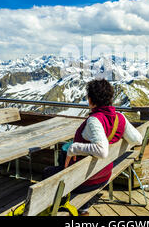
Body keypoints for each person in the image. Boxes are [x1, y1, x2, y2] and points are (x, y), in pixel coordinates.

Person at [43, 78, 143, 216]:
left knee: (47, 172)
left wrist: (74, 148)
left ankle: (59, 209)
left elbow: (102, 151)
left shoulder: (94, 120)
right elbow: (138, 139)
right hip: (104, 175)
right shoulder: (120, 117)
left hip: (85, 181)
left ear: (91, 100)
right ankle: (82, 207)